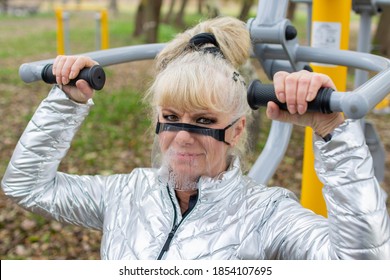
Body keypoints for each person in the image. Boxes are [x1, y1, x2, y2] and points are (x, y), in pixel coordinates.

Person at [2, 16, 390, 260]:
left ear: (236, 130)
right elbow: (26, 187)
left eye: (203, 119)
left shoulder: (267, 216)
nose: (183, 136)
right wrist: (64, 102)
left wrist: (331, 131)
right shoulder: (125, 195)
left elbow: (363, 263)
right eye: (171, 117)